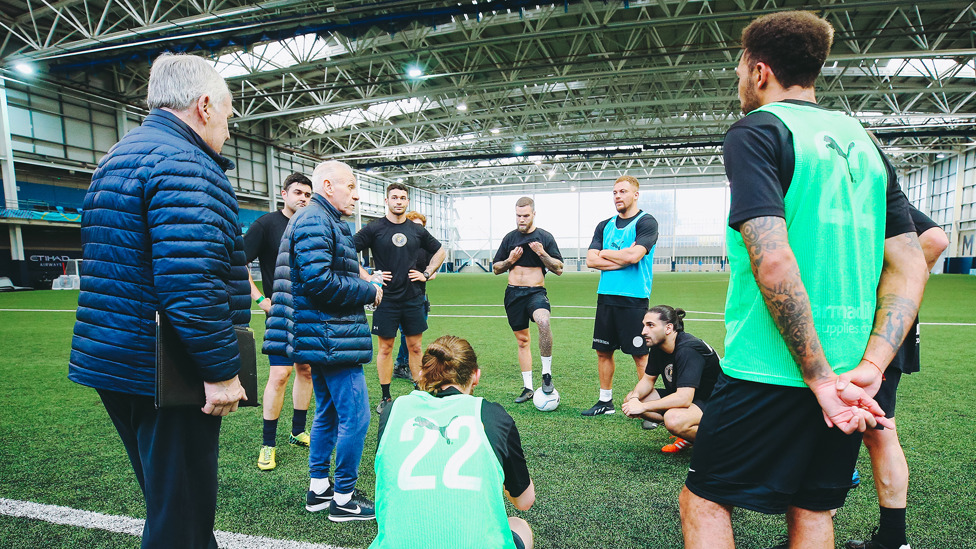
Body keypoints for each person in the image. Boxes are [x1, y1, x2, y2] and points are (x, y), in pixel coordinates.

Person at [679, 11, 928, 549]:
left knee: (704, 500)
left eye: (740, 69)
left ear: (760, 70)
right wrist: (870, 368)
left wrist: (816, 378)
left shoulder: (757, 131)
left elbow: (773, 259)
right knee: (813, 509)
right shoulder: (862, 141)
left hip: (769, 367)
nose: (739, 80)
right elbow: (911, 261)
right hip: (851, 373)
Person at [68, 53, 249, 548]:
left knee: (170, 503)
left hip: (118, 360)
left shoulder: (121, 154)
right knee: (182, 520)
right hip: (165, 369)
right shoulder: (186, 163)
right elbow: (191, 280)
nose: (230, 130)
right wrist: (220, 372)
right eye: (230, 114)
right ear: (205, 105)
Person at [263, 160, 382, 522]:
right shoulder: (316, 218)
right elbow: (319, 281)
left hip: (324, 334)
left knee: (328, 413)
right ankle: (343, 498)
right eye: (351, 186)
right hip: (330, 335)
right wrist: (368, 289)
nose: (357, 194)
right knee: (357, 417)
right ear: (328, 186)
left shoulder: (320, 218)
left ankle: (319, 491)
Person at [844, 207, 948, 549]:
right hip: (884, 326)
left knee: (867, 430)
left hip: (874, 328)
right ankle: (892, 540)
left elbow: (934, 240)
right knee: (876, 431)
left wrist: (898, 284)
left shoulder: (868, 185)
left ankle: (812, 534)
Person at [370, 335, 535, 549]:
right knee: (519, 526)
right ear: (476, 376)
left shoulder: (392, 412)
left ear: (422, 373)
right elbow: (524, 501)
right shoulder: (492, 416)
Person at [355, 183, 446, 415]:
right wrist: (368, 277)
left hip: (413, 297)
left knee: (415, 347)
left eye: (403, 198)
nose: (398, 201)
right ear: (386, 201)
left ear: (407, 202)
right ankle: (386, 397)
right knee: (385, 349)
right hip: (385, 298)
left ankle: (419, 392)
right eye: (394, 197)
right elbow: (345, 250)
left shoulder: (416, 231)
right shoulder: (375, 228)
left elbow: (440, 251)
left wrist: (426, 274)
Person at [244, 172, 314, 471]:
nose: (303, 198)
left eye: (308, 194)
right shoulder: (265, 225)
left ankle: (298, 431)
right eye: (298, 192)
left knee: (306, 370)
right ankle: (268, 445)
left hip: (310, 313)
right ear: (283, 194)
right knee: (280, 375)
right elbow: (238, 264)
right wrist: (261, 300)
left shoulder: (313, 224)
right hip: (280, 313)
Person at [582, 175, 658, 416]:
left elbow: (634, 256)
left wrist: (606, 253)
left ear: (635, 194)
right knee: (603, 351)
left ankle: (645, 408)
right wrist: (621, 257)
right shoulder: (604, 225)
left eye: (623, 191)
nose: (617, 196)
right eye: (615, 192)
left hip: (634, 300)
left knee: (640, 355)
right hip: (606, 297)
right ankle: (605, 402)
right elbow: (590, 260)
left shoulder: (647, 222)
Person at [492, 197, 564, 403]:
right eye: (518, 216)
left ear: (533, 214)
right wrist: (510, 260)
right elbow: (496, 268)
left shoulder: (545, 237)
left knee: (543, 321)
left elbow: (558, 269)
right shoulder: (509, 238)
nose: (521, 220)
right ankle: (528, 387)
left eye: (525, 216)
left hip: (536, 293)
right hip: (513, 294)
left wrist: (542, 254)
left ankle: (547, 374)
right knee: (523, 341)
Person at [621, 306, 721, 453]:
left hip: (716, 401)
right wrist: (635, 398)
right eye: (644, 325)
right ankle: (687, 433)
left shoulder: (688, 349)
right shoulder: (659, 346)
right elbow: (648, 380)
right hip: (694, 398)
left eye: (650, 325)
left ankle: (726, 444)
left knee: (673, 420)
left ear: (668, 328)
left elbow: (683, 399)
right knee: (631, 399)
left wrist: (644, 407)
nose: (643, 331)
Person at [392, 211, 436, 380]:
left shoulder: (426, 248)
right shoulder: (398, 246)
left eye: (421, 226)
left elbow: (433, 273)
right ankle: (403, 365)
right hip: (398, 296)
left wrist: (424, 275)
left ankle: (403, 364)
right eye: (415, 225)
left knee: (414, 335)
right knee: (406, 334)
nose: (419, 229)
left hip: (419, 296)